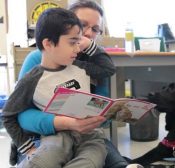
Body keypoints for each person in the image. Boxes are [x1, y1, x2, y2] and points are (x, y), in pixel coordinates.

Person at [16, 1, 130, 168]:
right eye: (82, 25)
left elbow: (102, 105)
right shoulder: (38, 59)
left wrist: (101, 116)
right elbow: (19, 114)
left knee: (114, 160)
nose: (88, 33)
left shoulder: (96, 65)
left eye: (95, 29)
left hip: (85, 135)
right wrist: (60, 122)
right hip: (42, 134)